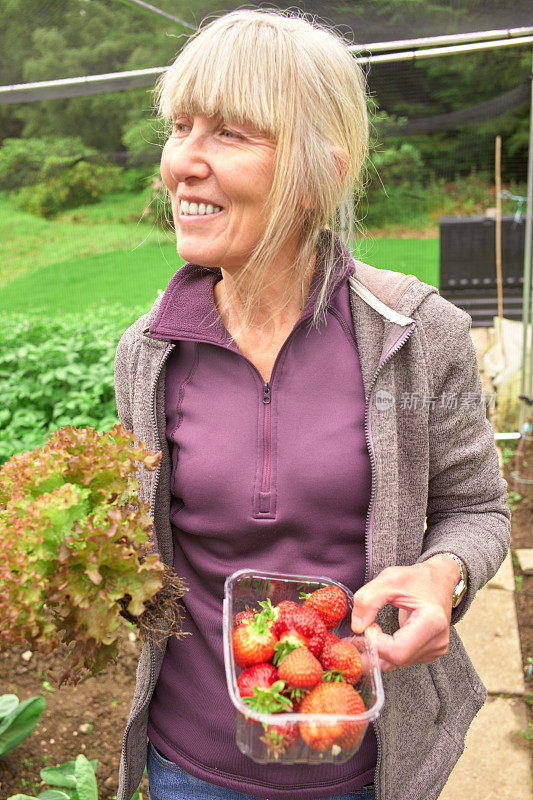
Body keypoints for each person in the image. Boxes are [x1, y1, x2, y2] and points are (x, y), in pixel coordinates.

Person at [113, 9, 510, 800]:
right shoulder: (149, 353)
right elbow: (141, 548)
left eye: (229, 134)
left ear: (322, 173)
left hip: (363, 760)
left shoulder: (418, 334)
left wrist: (443, 577)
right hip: (187, 759)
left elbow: (478, 510)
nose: (183, 162)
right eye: (180, 126)